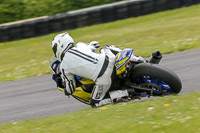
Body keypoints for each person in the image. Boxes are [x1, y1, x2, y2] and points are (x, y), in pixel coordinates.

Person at [51, 32, 131, 107]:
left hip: (103, 76)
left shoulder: (64, 66)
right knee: (106, 48)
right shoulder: (80, 45)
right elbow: (95, 45)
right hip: (109, 58)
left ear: (60, 46)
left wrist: (66, 91)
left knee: (95, 103)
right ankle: (134, 59)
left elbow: (71, 87)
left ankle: (127, 92)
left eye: (55, 50)